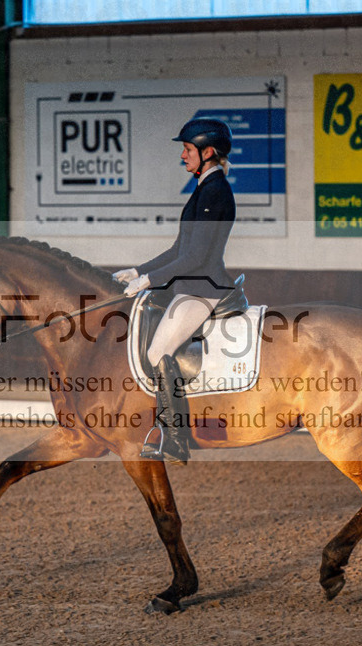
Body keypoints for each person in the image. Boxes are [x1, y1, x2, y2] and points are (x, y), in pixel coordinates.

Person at [113, 117, 236, 464]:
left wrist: (149, 282)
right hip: (190, 285)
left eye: (187, 149)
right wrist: (138, 271)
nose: (183, 156)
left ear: (207, 152)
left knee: (157, 353)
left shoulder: (215, 191)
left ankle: (176, 437)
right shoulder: (203, 188)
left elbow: (196, 257)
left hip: (203, 290)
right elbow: (178, 251)